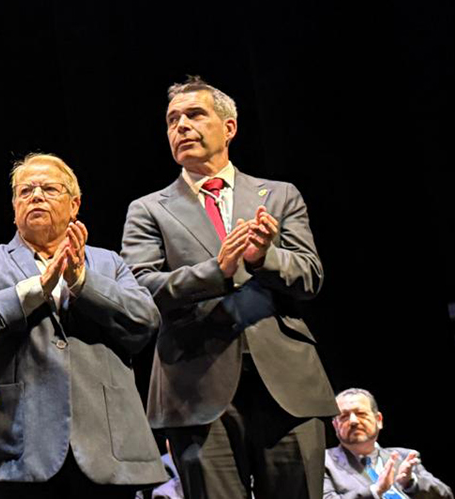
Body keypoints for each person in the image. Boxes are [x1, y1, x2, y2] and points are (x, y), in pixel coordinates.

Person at [122, 76, 336, 499]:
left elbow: (310, 275)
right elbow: (141, 288)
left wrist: (263, 258)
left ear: (229, 128)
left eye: (194, 115)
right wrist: (215, 271)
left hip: (287, 385)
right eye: (172, 120)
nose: (181, 126)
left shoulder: (278, 195)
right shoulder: (149, 209)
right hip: (195, 388)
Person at [0, 153, 167, 497]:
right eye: (25, 191)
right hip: (14, 449)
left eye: (49, 189)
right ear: (14, 207)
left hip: (106, 448)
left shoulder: (109, 262)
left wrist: (82, 281)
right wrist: (35, 289)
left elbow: (145, 321)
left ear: (75, 205)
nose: (36, 196)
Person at [324, 388, 452, 499]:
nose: (353, 421)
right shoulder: (324, 462)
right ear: (335, 425)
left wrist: (411, 482)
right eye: (344, 416)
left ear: (378, 420)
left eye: (361, 414)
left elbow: (445, 495)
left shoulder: (404, 456)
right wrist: (375, 491)